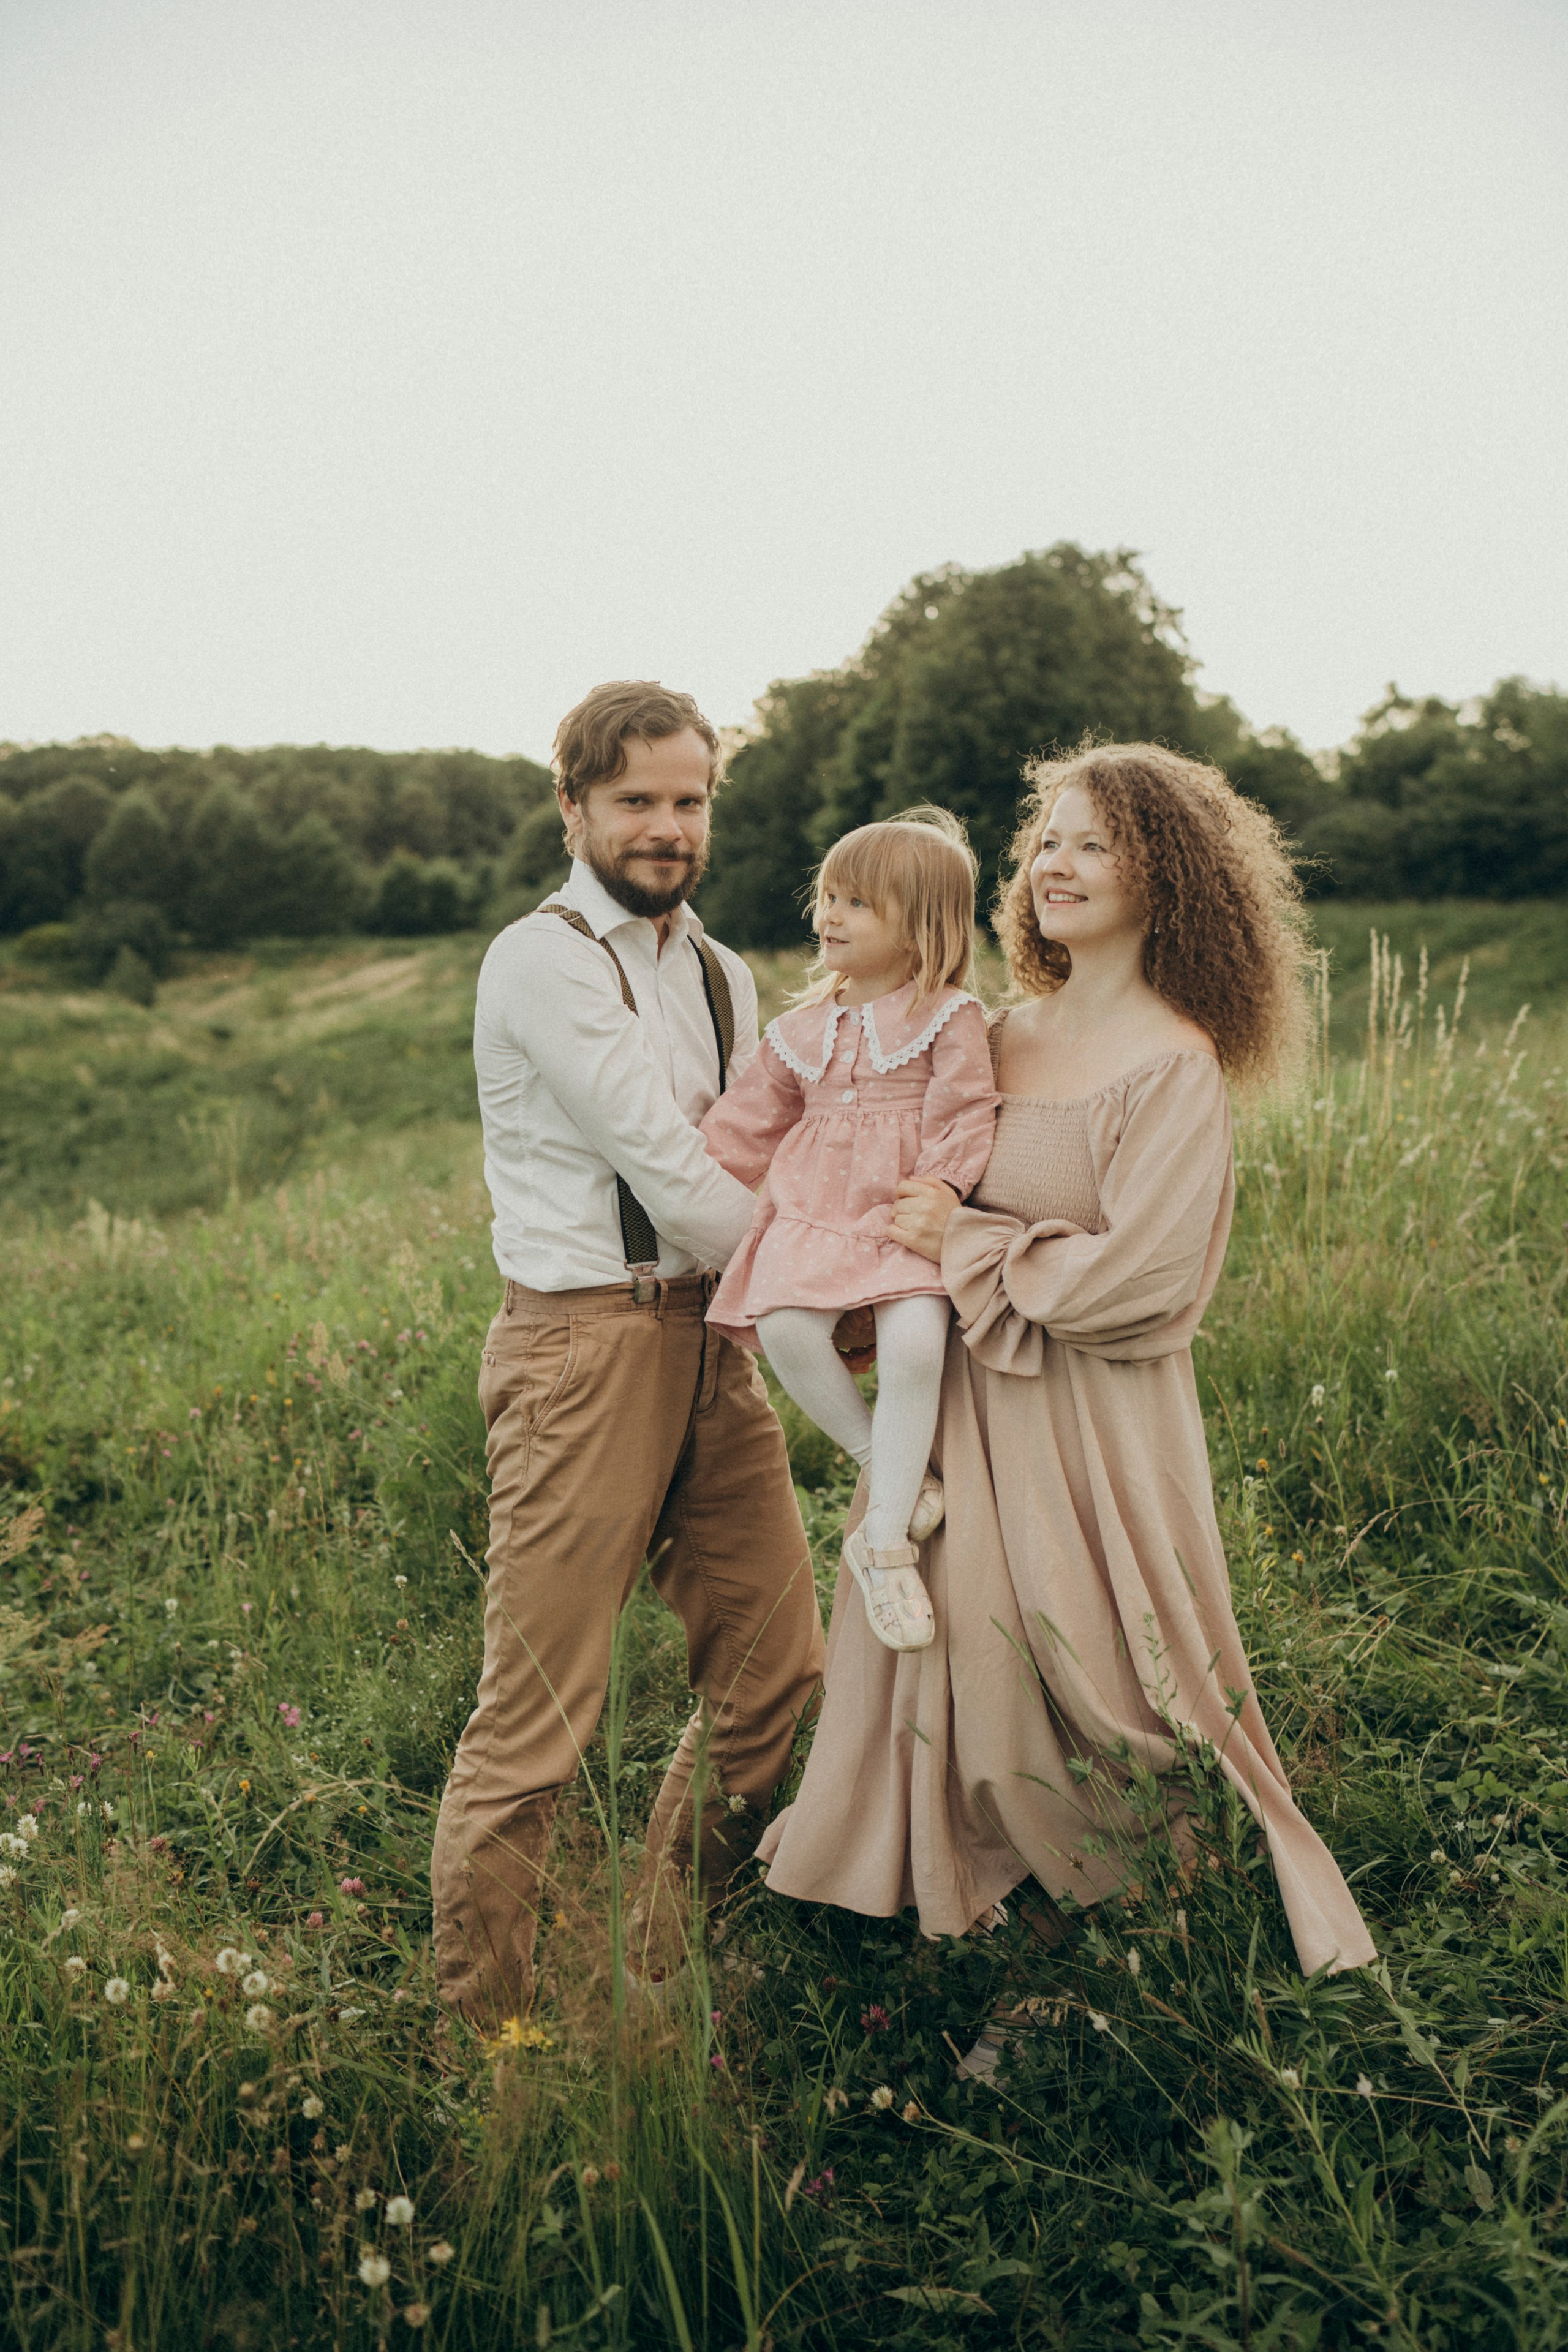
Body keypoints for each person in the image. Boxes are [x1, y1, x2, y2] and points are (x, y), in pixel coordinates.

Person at [757, 743, 1377, 1993]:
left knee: (1099, 1676)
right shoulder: (985, 1032)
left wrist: (969, 1238)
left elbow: (1144, 1284)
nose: (1057, 865)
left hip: (1092, 1420)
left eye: (1094, 842)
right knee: (959, 1662)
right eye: (1046, 839)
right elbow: (881, 1179)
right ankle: (965, 1908)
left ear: (1170, 876)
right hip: (966, 1403)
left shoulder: (1173, 1064)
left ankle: (1134, 1925)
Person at [431, 680, 826, 2028]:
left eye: (688, 801)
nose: (666, 828)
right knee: (536, 1717)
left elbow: (758, 1150)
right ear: (573, 809)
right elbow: (667, 1167)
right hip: (584, 1350)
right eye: (636, 802)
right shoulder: (540, 959)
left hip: (711, 1338)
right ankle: (488, 2043)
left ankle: (665, 1970)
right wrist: (826, 1304)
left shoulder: (721, 970)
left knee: (776, 1667)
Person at [699, 813, 997, 1653]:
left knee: (915, 1344)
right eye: (828, 896)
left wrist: (941, 1185)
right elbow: (747, 1123)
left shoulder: (949, 1018)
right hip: (814, 1216)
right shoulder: (800, 1032)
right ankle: (880, 1462)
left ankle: (884, 1546)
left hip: (900, 1214)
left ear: (922, 926)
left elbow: (968, 1113)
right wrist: (684, 1179)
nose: (829, 914)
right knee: (786, 1323)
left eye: (857, 903)